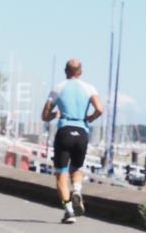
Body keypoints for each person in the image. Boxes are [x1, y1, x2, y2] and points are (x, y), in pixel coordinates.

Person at [41, 59, 103, 224]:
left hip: (65, 131)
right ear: (80, 72)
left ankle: (68, 210)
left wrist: (55, 114)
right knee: (77, 167)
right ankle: (76, 189)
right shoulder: (89, 88)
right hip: (82, 132)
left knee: (61, 173)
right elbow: (100, 109)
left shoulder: (58, 88)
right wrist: (90, 118)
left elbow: (44, 115)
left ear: (65, 71)